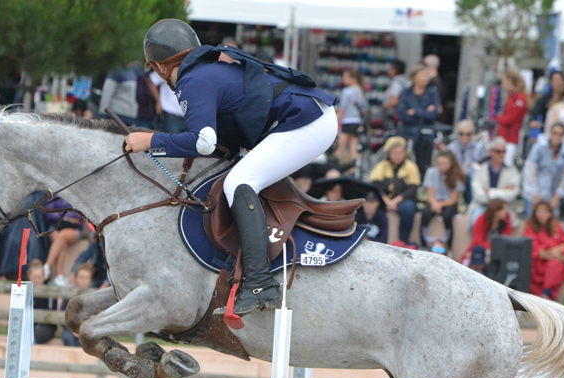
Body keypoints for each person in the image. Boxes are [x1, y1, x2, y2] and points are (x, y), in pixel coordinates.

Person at [126, 19, 337, 317]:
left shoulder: (192, 79)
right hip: (307, 117)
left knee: (238, 182)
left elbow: (203, 142)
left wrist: (150, 140)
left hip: (307, 122)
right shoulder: (206, 70)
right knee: (238, 176)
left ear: (159, 66)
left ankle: (261, 283)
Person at [368, 136, 420, 244]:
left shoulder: (411, 167)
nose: (397, 156)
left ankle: (403, 240)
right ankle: (375, 238)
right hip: (384, 199)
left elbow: (413, 188)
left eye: (400, 152)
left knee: (408, 207)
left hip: (402, 200)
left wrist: (395, 201)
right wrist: (386, 201)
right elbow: (374, 185)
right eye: (394, 153)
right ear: (389, 154)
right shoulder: (381, 166)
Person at [522, 122, 564, 219]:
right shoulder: (539, 147)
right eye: (555, 133)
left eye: (560, 134)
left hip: (552, 195)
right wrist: (535, 193)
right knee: (531, 222)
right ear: (550, 133)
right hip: (534, 192)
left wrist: (557, 196)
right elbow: (530, 171)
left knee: (551, 225)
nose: (557, 137)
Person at [467, 137, 521, 227]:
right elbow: (478, 195)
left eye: (504, 151)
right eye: (498, 151)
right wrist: (503, 192)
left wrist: (490, 192)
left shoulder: (512, 171)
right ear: (490, 152)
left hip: (504, 208)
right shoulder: (480, 169)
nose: (502, 154)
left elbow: (512, 194)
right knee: (476, 219)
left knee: (507, 220)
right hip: (482, 206)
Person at [525, 201, 564, 300]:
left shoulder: (556, 227)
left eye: (544, 212)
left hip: (555, 263)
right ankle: (545, 294)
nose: (541, 215)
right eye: (539, 211)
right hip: (538, 264)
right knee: (554, 265)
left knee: (556, 265)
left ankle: (546, 293)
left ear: (550, 214)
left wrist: (560, 249)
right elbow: (532, 248)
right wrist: (550, 252)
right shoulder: (530, 228)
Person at [398, 64, 440, 178]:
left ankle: (423, 174)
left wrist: (415, 111)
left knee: (427, 142)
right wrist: (424, 112)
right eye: (422, 75)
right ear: (414, 78)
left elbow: (433, 115)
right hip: (408, 129)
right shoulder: (405, 93)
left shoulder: (432, 93)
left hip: (427, 130)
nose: (425, 78)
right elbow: (403, 115)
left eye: (426, 75)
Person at [419, 150, 465, 249]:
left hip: (448, 203)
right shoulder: (431, 172)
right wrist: (435, 204)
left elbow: (453, 199)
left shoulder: (456, 175)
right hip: (434, 201)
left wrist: (440, 205)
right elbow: (430, 194)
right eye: (439, 163)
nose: (442, 166)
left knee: (448, 215)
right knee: (425, 213)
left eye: (444, 163)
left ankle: (448, 243)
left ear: (451, 163)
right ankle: (423, 242)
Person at [462, 198, 511, 269]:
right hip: (482, 250)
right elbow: (477, 240)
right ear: (495, 211)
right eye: (503, 210)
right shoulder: (481, 219)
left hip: (497, 252)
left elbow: (506, 241)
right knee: (478, 251)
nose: (506, 212)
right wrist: (490, 247)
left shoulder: (506, 222)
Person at [495, 70, 528, 168]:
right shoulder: (511, 97)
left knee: (506, 166)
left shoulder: (519, 99)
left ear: (509, 81)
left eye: (503, 81)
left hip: (510, 138)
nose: (502, 84)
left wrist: (498, 117)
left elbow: (508, 119)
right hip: (503, 137)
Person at [448, 119, 484, 204]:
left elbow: (478, 167)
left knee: (472, 180)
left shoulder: (478, 148)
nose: (464, 137)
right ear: (457, 134)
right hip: (455, 175)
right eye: (461, 134)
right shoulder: (450, 148)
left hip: (471, 176)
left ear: (472, 135)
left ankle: (471, 205)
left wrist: (465, 173)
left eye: (468, 134)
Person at [335, 69, 366, 164]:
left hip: (347, 121)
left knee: (339, 148)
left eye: (345, 77)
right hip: (357, 122)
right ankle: (354, 168)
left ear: (353, 78)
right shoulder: (361, 90)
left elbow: (342, 109)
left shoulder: (347, 91)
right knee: (353, 147)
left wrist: (336, 121)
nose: (343, 80)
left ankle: (334, 167)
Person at [61, 262, 95, 347]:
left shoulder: (94, 295)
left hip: (88, 329)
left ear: (90, 280)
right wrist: (73, 331)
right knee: (67, 337)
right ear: (76, 278)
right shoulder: (69, 293)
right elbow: (62, 314)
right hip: (71, 330)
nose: (84, 281)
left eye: (86, 278)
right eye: (81, 278)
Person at [27, 259, 58, 344]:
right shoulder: (25, 292)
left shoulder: (50, 292)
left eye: (39, 277)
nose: (36, 280)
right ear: (29, 277)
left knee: (31, 339)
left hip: (46, 326)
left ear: (44, 277)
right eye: (34, 277)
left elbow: (51, 314)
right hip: (29, 325)